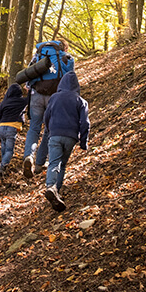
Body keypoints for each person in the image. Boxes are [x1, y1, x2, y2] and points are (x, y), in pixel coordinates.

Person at [21, 40, 74, 179]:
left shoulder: (39, 55)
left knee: (34, 128)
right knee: (49, 130)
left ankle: (28, 156)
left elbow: (28, 75)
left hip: (36, 96)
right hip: (54, 98)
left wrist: (30, 86)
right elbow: (70, 80)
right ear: (64, 48)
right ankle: (39, 163)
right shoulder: (67, 58)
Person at [42, 70, 89, 212]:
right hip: (71, 137)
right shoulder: (81, 101)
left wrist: (49, 130)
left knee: (54, 163)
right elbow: (85, 123)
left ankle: (51, 187)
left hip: (55, 134)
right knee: (62, 165)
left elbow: (47, 116)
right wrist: (83, 141)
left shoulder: (54, 97)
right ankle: (57, 191)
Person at [0, 83, 27, 176]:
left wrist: (2, 122)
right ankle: (3, 165)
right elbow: (31, 99)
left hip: (1, 127)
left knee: (4, 147)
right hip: (11, 128)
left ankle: (2, 168)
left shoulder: (4, 102)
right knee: (9, 150)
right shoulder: (22, 101)